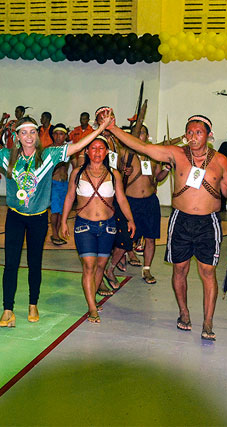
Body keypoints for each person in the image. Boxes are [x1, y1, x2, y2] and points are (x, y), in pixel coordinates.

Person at [0, 111, 115, 328]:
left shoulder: (49, 155)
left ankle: (32, 304)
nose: (28, 136)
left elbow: (75, 147)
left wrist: (100, 129)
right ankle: (7, 310)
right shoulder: (7, 156)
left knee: (34, 263)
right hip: (15, 218)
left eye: (32, 132)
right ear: (17, 136)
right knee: (10, 264)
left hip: (38, 219)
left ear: (37, 135)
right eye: (24, 132)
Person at [109, 112, 227, 341]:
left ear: (209, 135)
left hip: (209, 222)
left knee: (208, 271)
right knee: (180, 269)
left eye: (198, 132)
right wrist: (114, 129)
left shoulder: (220, 160)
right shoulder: (176, 154)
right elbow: (142, 147)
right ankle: (184, 313)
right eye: (190, 132)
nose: (193, 136)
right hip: (181, 221)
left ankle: (208, 321)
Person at [60, 135, 135, 323]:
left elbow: (122, 199)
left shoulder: (114, 174)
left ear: (107, 152)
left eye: (101, 148)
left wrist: (130, 220)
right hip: (84, 225)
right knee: (89, 266)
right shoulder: (77, 173)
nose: (97, 152)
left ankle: (92, 298)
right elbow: (69, 197)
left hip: (108, 226)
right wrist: (62, 222)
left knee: (101, 265)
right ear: (86, 151)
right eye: (93, 148)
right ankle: (92, 307)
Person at [105, 124, 168, 286]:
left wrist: (167, 168)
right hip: (130, 202)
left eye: (142, 132)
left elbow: (158, 177)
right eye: (137, 132)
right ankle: (110, 268)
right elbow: (113, 168)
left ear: (147, 136)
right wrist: (122, 170)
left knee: (150, 238)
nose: (140, 135)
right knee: (125, 239)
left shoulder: (154, 155)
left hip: (150, 202)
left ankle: (146, 269)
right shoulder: (125, 153)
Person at [49, 123, 70, 245]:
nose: (58, 137)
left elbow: (76, 163)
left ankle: (56, 233)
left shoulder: (68, 149)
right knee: (55, 211)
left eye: (61, 134)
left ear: (65, 136)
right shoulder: (49, 149)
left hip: (64, 184)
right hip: (54, 183)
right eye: (56, 134)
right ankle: (55, 234)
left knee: (62, 211)